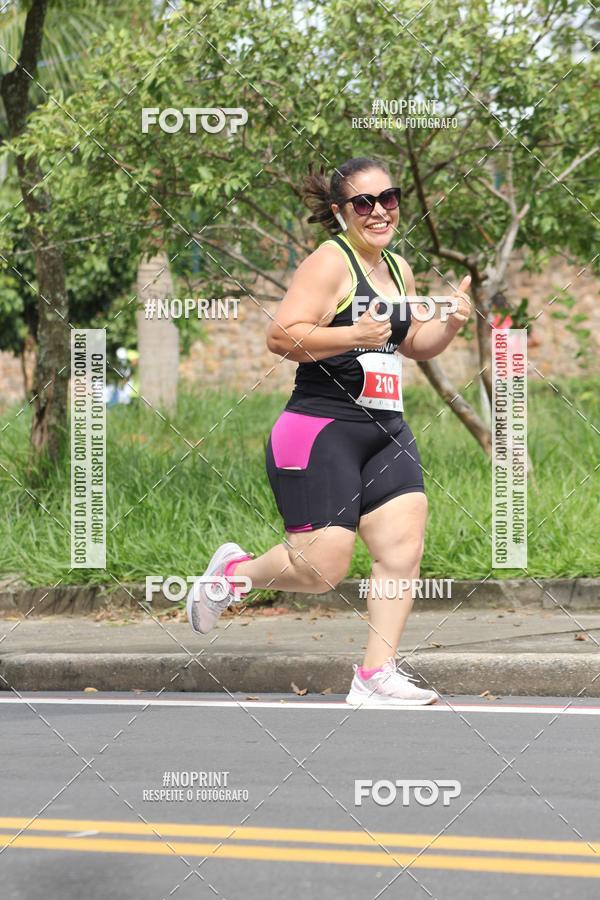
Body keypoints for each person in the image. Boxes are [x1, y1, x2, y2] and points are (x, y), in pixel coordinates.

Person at [186, 156, 471, 707]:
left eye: (387, 198)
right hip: (321, 428)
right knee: (322, 569)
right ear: (341, 213)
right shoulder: (328, 263)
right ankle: (232, 576)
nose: (379, 211)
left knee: (401, 548)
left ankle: (375, 675)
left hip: (385, 430)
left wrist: (451, 323)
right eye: (363, 203)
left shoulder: (400, 269)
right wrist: (352, 334)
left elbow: (413, 344)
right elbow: (280, 336)